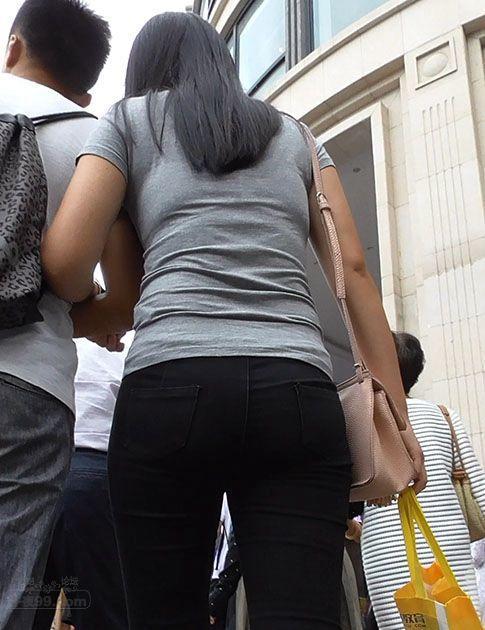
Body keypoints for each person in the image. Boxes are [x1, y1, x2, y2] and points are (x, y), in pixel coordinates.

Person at [41, 12, 426, 629]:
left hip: (170, 385)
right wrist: (399, 422)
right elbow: (353, 270)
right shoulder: (296, 134)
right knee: (302, 616)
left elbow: (65, 265)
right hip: (296, 388)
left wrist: (90, 310)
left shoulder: (129, 122)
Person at [0, 2, 111, 628]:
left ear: (13, 46)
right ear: (86, 88)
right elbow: (124, 295)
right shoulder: (94, 137)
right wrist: (77, 312)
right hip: (29, 382)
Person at [361, 332, 485, 628]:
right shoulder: (443, 415)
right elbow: (478, 488)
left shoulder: (366, 418)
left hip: (386, 546)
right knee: (458, 618)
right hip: (447, 541)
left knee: (405, 619)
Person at [32, 337, 129, 630]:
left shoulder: (56, 341)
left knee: (23, 609)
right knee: (105, 612)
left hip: (37, 471)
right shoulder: (130, 347)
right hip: (94, 472)